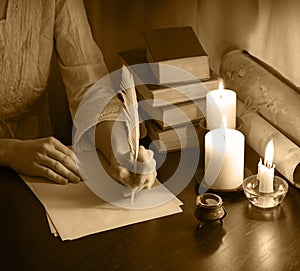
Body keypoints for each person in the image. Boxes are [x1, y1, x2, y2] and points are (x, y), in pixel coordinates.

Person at [0, 0, 156, 191]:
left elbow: (88, 86)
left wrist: (121, 153)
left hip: (40, 177)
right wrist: (7, 150)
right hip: (31, 162)